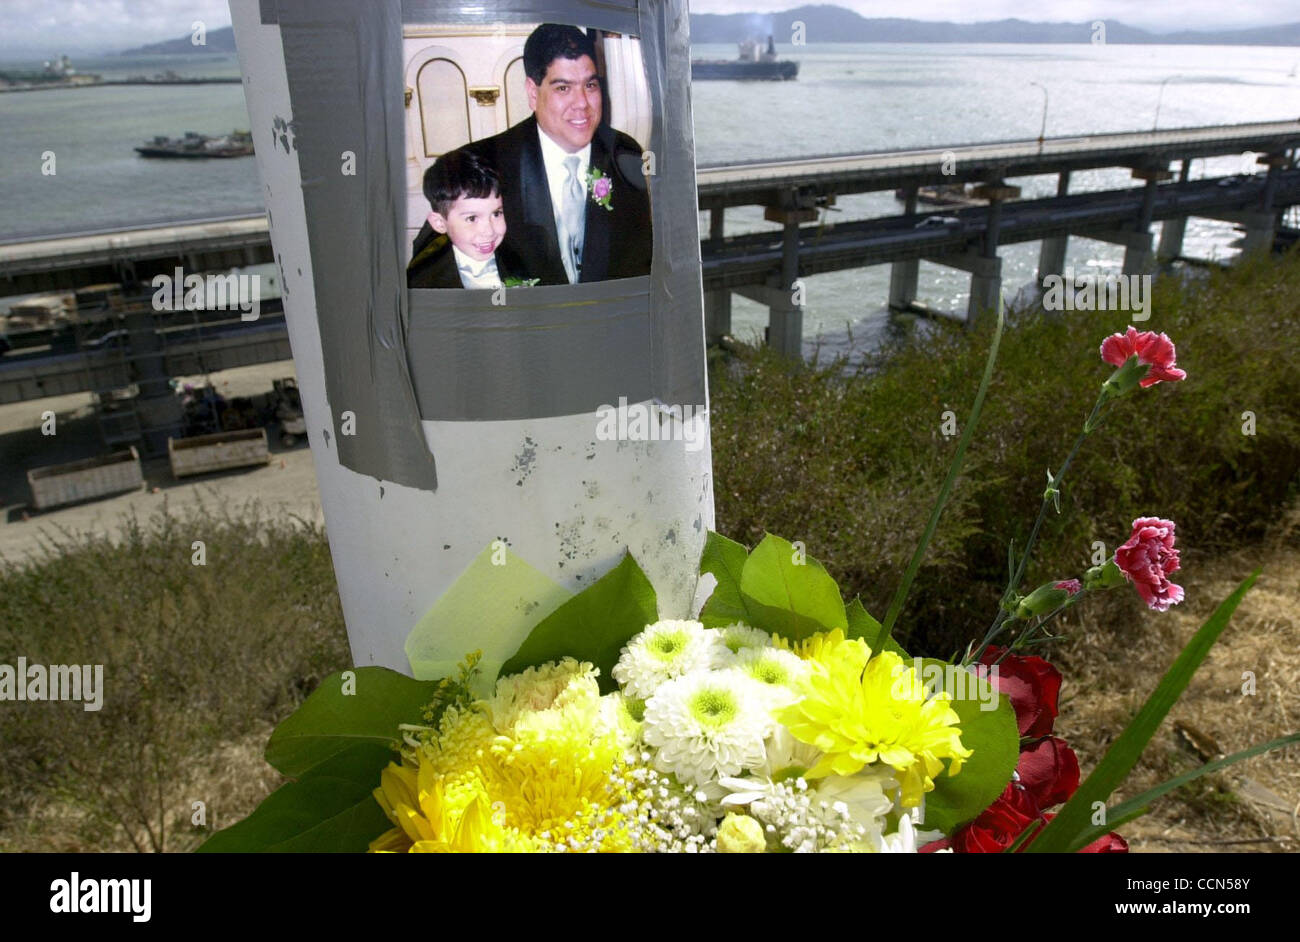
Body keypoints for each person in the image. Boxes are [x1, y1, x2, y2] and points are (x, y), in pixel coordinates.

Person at [414, 24, 652, 286]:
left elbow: (641, 261)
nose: (582, 103)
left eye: (590, 85)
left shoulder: (624, 154)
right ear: (532, 92)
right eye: (563, 88)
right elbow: (427, 273)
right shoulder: (480, 163)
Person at [408, 148, 528, 289]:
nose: (489, 231)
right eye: (472, 218)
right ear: (440, 223)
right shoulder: (422, 283)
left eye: (496, 214)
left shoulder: (525, 258)